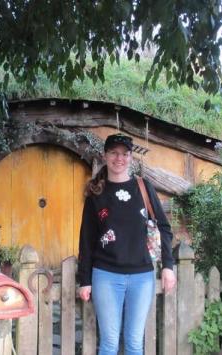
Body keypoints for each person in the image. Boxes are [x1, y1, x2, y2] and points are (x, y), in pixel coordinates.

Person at [78, 133, 176, 355]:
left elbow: (164, 227)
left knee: (134, 343)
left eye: (124, 153)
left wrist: (168, 266)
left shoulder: (143, 187)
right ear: (105, 155)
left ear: (131, 157)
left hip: (142, 277)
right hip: (105, 275)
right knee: (109, 343)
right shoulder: (96, 194)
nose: (118, 158)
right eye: (113, 152)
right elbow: (86, 239)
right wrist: (84, 280)